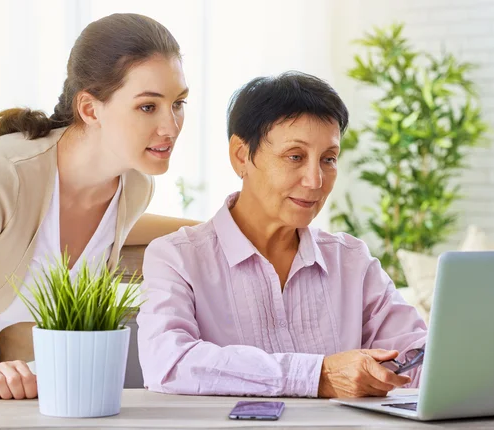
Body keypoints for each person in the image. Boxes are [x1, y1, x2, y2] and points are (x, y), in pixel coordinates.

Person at [137, 72, 427, 398]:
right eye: (295, 157)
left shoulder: (351, 260)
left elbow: (417, 358)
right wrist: (318, 376)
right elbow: (169, 363)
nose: (315, 180)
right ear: (241, 155)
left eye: (329, 159)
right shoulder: (177, 257)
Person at [0, 13, 198, 400]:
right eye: (148, 107)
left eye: (178, 103)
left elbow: (116, 224)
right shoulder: (3, 173)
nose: (171, 126)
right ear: (90, 109)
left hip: (11, 384)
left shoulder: (133, 185)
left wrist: (226, 227)